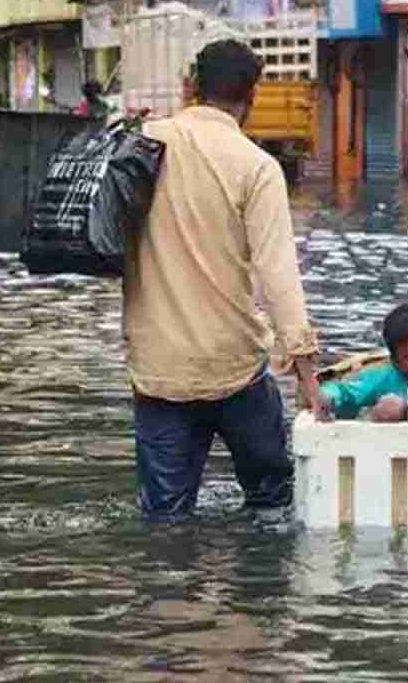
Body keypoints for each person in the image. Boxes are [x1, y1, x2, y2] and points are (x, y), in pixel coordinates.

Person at [125, 39, 325, 520]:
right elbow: (279, 278)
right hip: (234, 368)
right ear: (251, 98)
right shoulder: (255, 167)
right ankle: (260, 596)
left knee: (164, 523)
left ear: (190, 86)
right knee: (273, 505)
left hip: (159, 371)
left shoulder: (141, 144)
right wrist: (307, 376)